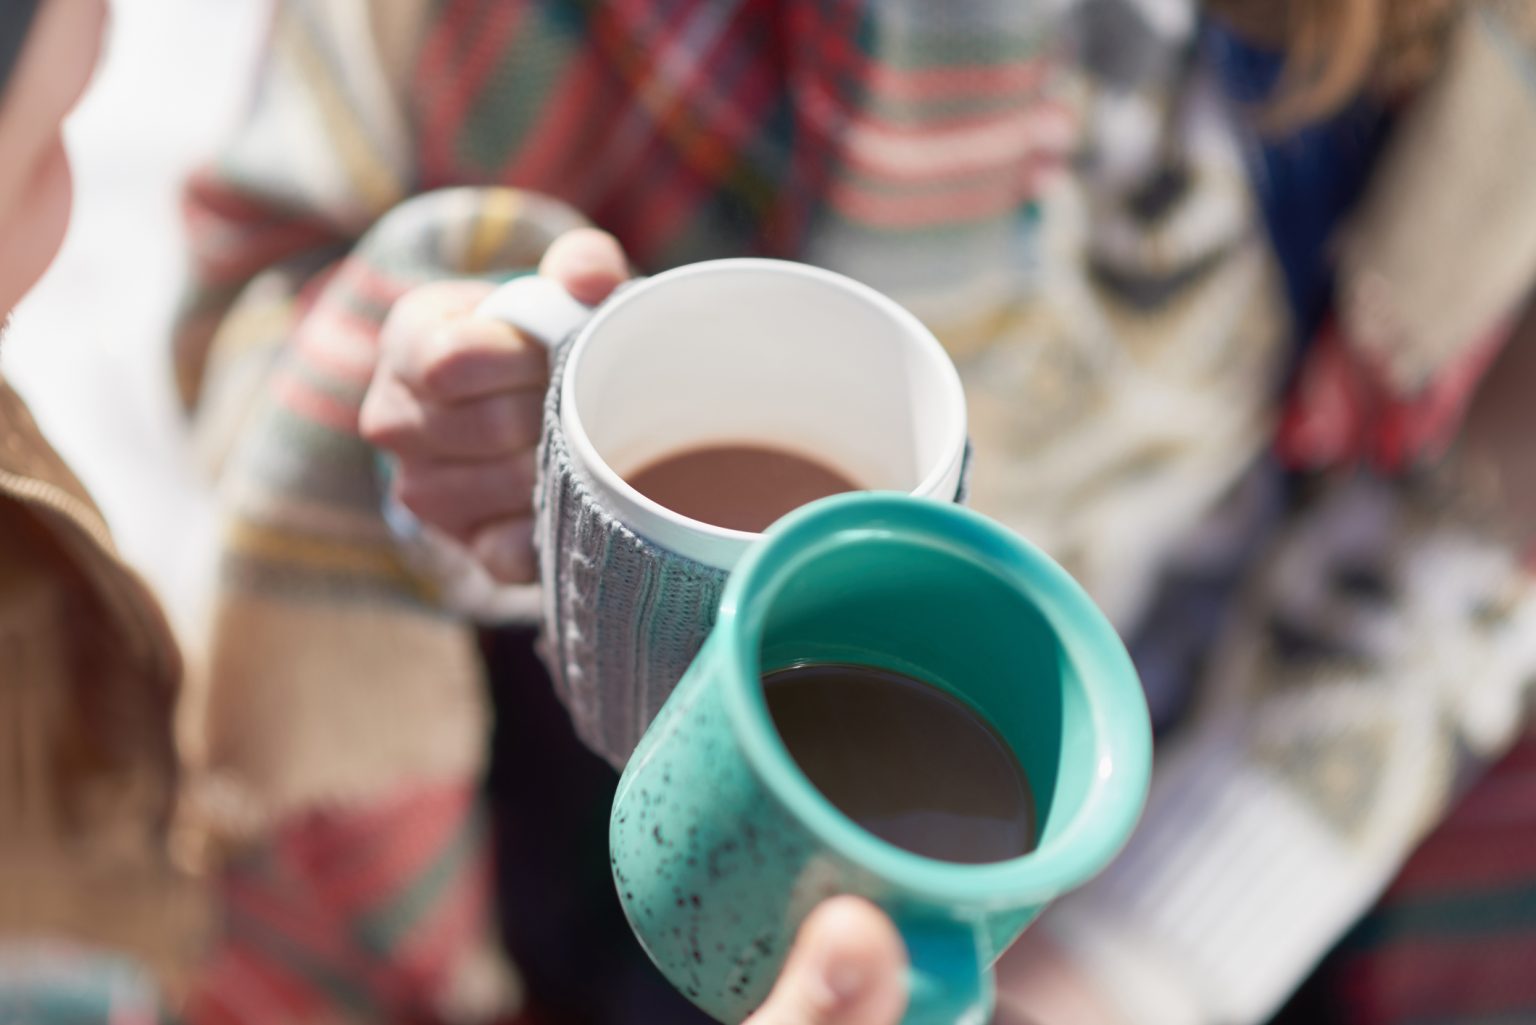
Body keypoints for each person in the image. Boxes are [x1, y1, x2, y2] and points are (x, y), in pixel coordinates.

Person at [171, 0, 1536, 1023]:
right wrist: (455, 488)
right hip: (523, 836)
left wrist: (1108, 981)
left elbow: (1458, 544)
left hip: (1123, 846)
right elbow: (255, 306)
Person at [0, 4, 914, 1025]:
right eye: (44, 140)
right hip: (506, 792)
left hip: (899, 773)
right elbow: (251, 283)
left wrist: (1085, 954)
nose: (72, 186)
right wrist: (406, 440)